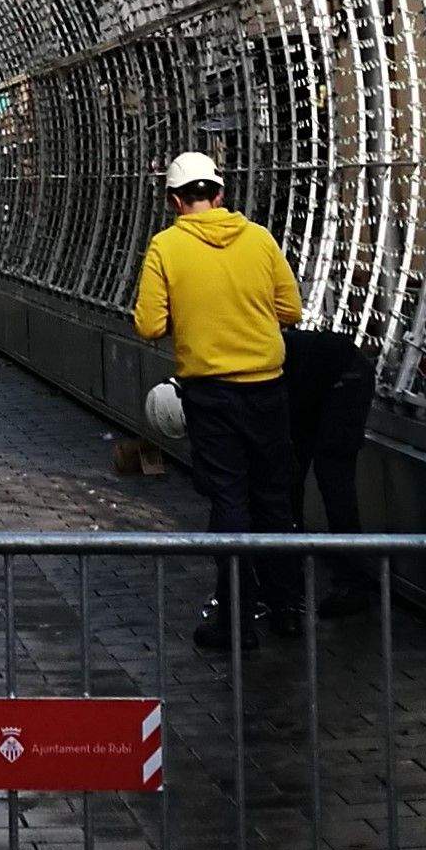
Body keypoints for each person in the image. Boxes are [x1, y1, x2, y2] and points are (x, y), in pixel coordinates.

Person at [132, 149, 308, 645]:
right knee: (274, 499)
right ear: (220, 193)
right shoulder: (260, 239)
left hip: (209, 394)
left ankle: (236, 618)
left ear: (173, 200)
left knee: (229, 500)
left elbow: (148, 324)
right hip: (268, 388)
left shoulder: (166, 247)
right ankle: (287, 608)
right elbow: (290, 309)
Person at [280, 321, 377, 618]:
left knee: (332, 474)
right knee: (292, 475)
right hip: (318, 382)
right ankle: (289, 577)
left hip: (343, 379)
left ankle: (352, 582)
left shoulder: (257, 364)